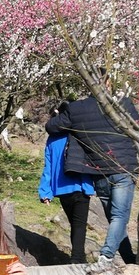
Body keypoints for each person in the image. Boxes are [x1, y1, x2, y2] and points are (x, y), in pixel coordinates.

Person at [45, 79, 139, 266]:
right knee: (119, 216)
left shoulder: (77, 109)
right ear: (107, 82)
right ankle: (106, 256)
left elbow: (51, 126)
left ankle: (129, 257)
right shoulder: (122, 104)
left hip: (99, 171)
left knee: (114, 217)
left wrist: (62, 113)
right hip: (123, 168)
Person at [37, 107, 96, 264]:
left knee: (74, 224)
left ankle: (79, 258)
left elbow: (47, 167)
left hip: (61, 189)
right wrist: (89, 187)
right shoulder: (77, 135)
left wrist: (45, 192)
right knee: (79, 225)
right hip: (78, 186)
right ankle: (77, 260)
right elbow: (83, 164)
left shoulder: (51, 140)